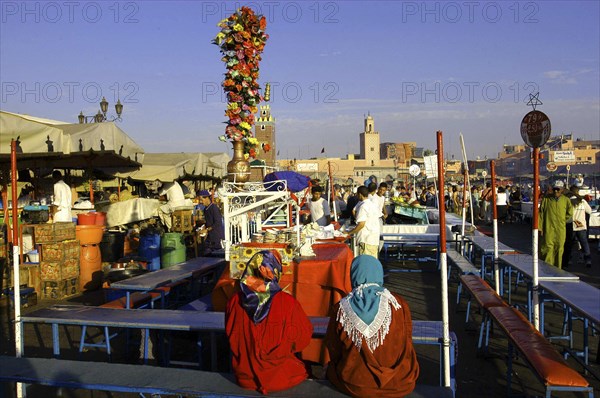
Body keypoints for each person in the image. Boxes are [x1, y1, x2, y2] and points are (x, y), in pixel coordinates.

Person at [325, 255, 419, 397]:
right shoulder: (398, 304)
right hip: (398, 383)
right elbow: (406, 343)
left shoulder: (341, 308)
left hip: (355, 384)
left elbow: (333, 347)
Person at [225, 250, 313, 394]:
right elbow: (301, 339)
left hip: (245, 375)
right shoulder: (287, 302)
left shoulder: (234, 302)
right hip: (281, 376)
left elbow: (230, 335)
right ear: (275, 271)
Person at [539, 180, 573, 269]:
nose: (556, 191)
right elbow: (540, 214)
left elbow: (570, 213)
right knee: (547, 248)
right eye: (554, 189)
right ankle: (545, 269)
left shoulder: (566, 200)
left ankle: (558, 269)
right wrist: (540, 227)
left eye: (558, 189)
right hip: (548, 228)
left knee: (559, 248)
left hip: (560, 229)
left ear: (562, 190)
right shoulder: (546, 200)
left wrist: (562, 220)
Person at [346, 186, 380, 257]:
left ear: (360, 194)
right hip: (373, 239)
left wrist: (349, 233)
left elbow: (361, 224)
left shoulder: (363, 206)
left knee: (366, 264)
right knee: (372, 264)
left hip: (366, 240)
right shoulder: (371, 204)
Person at [569, 184, 593, 267]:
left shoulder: (568, 201)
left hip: (571, 226)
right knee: (584, 244)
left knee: (570, 244)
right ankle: (588, 260)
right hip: (581, 226)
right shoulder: (582, 201)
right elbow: (589, 211)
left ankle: (569, 259)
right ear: (578, 192)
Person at [198, 190, 224, 254]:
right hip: (210, 236)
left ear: (206, 198)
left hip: (216, 236)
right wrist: (204, 227)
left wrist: (207, 230)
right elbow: (208, 222)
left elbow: (218, 222)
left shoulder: (214, 208)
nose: (200, 202)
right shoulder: (205, 209)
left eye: (201, 200)